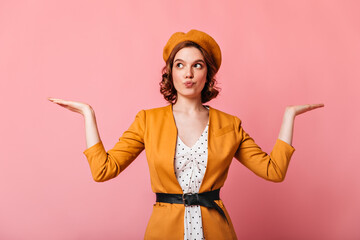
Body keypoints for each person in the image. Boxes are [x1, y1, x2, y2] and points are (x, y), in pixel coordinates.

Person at [48, 29, 324, 240]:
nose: (188, 73)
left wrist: (289, 116)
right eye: (179, 65)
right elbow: (103, 170)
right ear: (170, 72)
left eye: (197, 65)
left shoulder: (230, 125)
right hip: (164, 231)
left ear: (208, 74)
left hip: (216, 231)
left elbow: (274, 171)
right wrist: (88, 114)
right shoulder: (148, 120)